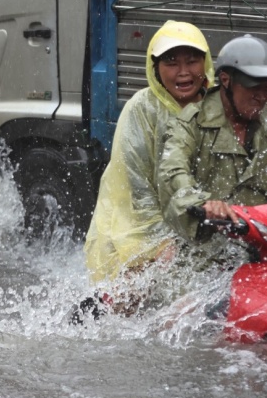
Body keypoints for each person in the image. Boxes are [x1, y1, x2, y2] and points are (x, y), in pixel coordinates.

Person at [84, 20, 214, 284]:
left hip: (198, 223)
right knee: (131, 301)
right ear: (155, 68)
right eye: (171, 63)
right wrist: (159, 242)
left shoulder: (219, 106)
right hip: (135, 225)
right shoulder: (141, 109)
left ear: (206, 63)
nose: (183, 72)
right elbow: (137, 185)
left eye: (192, 61)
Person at [158, 34, 267, 241]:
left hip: (263, 247)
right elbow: (173, 173)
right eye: (252, 87)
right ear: (225, 80)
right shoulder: (190, 124)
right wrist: (204, 203)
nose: (261, 96)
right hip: (202, 250)